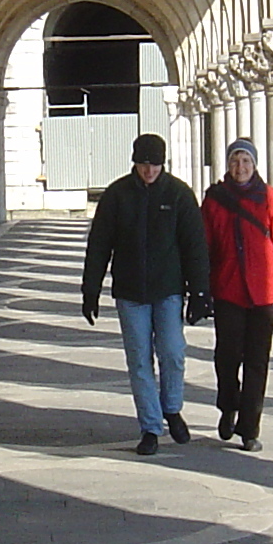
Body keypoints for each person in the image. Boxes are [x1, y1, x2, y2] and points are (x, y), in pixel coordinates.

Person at [82, 133, 210, 454]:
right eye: (143, 164)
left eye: (154, 164)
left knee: (172, 351)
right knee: (139, 360)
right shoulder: (117, 196)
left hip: (168, 289)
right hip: (129, 291)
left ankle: (172, 407)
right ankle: (151, 426)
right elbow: (99, 245)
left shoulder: (179, 194)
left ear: (163, 163)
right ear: (134, 163)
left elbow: (195, 247)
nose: (149, 170)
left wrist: (199, 293)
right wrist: (91, 291)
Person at [202, 137, 273, 451]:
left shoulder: (271, 200)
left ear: (255, 165)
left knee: (256, 361)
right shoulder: (214, 201)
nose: (241, 168)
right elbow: (203, 244)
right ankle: (228, 406)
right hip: (228, 290)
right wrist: (198, 286)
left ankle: (249, 428)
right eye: (236, 161)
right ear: (228, 165)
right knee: (226, 356)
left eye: (246, 162)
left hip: (267, 293)